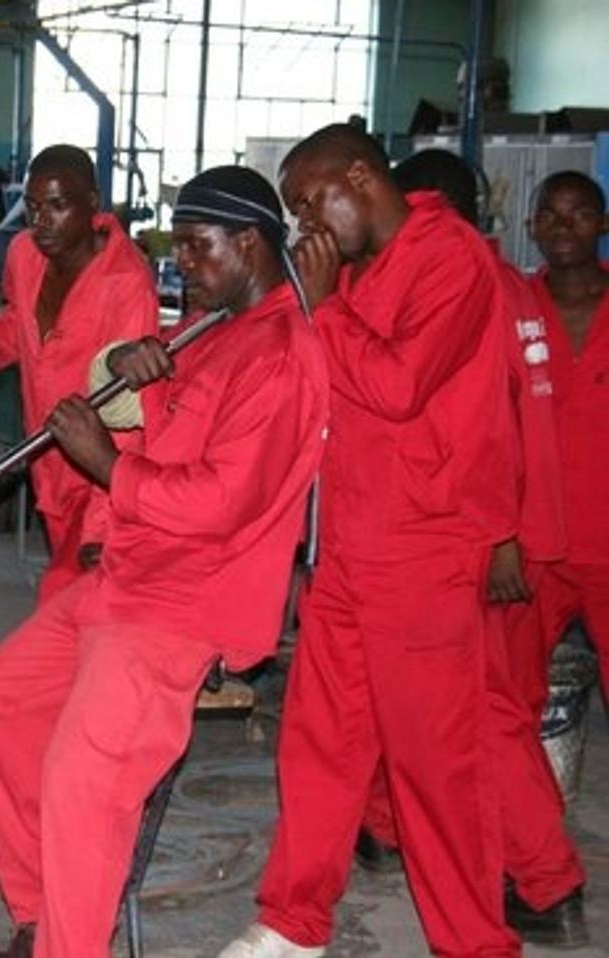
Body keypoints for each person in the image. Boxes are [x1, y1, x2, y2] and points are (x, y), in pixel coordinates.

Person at [0, 166, 328, 958]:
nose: (183, 264)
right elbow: (165, 422)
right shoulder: (212, 326)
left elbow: (221, 503)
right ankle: (43, 917)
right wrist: (138, 362)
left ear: (249, 242)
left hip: (187, 601)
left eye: (198, 247)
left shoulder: (280, 354)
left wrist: (106, 465)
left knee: (86, 780)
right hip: (130, 573)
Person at [222, 124, 521, 958]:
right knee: (320, 742)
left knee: (435, 766)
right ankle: (294, 921)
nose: (307, 226)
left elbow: (396, 384)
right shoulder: (352, 269)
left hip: (422, 549)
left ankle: (475, 945)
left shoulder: (451, 260)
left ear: (359, 177)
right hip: (348, 545)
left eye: (311, 203)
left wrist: (325, 308)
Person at [351, 150, 587, 946]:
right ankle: (387, 826)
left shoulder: (457, 283)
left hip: (482, 539)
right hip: (500, 533)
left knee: (486, 715)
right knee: (435, 704)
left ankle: (547, 881)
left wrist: (502, 537)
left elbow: (492, 426)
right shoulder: (507, 284)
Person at [0, 145, 159, 600]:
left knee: (66, 597)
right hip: (46, 457)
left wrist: (101, 525)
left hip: (99, 468)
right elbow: (19, 321)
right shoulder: (23, 255)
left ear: (92, 203)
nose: (41, 222)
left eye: (57, 206)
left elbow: (132, 415)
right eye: (33, 208)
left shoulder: (127, 283)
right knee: (69, 600)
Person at [514, 172, 609, 715]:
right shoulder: (513, 307)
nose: (564, 226)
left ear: (604, 224)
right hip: (536, 545)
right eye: (550, 215)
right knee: (513, 690)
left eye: (580, 214)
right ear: (532, 227)